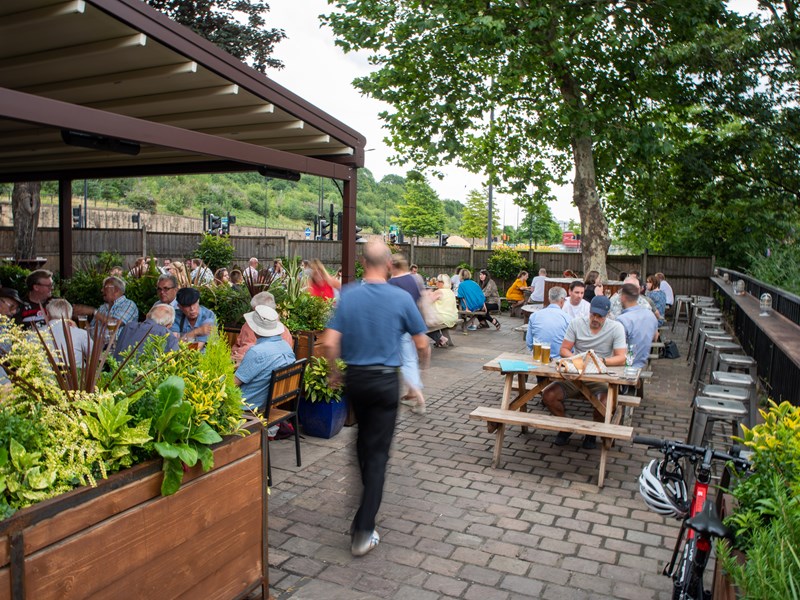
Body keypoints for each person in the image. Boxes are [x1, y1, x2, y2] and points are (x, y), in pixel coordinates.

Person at [322, 240, 429, 557]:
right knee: (378, 455)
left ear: (363, 262)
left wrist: (333, 373)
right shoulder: (400, 297)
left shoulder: (349, 294)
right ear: (388, 265)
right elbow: (422, 344)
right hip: (384, 381)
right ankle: (363, 530)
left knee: (362, 441)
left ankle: (364, 501)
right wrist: (416, 380)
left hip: (356, 379)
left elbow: (329, 342)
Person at [541, 295, 627, 449]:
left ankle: (592, 432)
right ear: (589, 311)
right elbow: (564, 349)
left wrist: (600, 361)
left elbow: (622, 358)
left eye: (600, 316)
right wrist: (577, 360)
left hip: (600, 376)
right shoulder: (576, 323)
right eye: (593, 314)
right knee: (548, 395)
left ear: (607, 315)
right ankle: (565, 427)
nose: (595, 319)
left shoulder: (616, 327)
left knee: (605, 404)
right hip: (576, 374)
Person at [234, 305, 296, 413]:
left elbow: (233, 383)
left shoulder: (257, 352)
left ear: (255, 328)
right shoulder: (286, 347)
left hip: (246, 405)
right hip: (267, 402)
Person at [389, 254, 426, 413]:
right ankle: (411, 395)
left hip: (399, 328)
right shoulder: (413, 279)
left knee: (406, 363)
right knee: (411, 360)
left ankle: (419, 398)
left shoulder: (392, 283)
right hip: (413, 326)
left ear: (392, 266)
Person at [231, 291, 294, 365]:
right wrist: (235, 354)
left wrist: (245, 359)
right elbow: (237, 344)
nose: (253, 314)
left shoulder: (282, 333)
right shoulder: (248, 325)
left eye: (256, 311)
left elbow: (272, 361)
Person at [112, 304, 179, 361]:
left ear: (147, 316)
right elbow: (174, 361)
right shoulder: (167, 335)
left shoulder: (129, 326)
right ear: (169, 325)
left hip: (117, 371)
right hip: (146, 372)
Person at [617, 283, 659, 369]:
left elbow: (617, 348)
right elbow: (655, 337)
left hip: (626, 366)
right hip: (643, 363)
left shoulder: (622, 320)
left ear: (623, 297)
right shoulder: (650, 315)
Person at [526, 286, 570, 359]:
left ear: (549, 298)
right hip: (559, 359)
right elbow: (570, 346)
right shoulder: (568, 318)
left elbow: (529, 343)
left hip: (538, 357)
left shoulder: (534, 315)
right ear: (562, 300)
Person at [45, 299, 92, 366]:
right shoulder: (81, 334)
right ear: (70, 315)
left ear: (47, 314)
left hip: (43, 372)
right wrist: (77, 329)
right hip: (76, 372)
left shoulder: (33, 333)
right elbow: (95, 356)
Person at [427, 273, 458, 348]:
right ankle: (440, 339)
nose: (436, 282)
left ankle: (440, 339)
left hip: (443, 318)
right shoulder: (450, 292)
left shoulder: (439, 291)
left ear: (442, 283)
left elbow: (426, 302)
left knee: (421, 323)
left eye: (438, 281)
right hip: (453, 317)